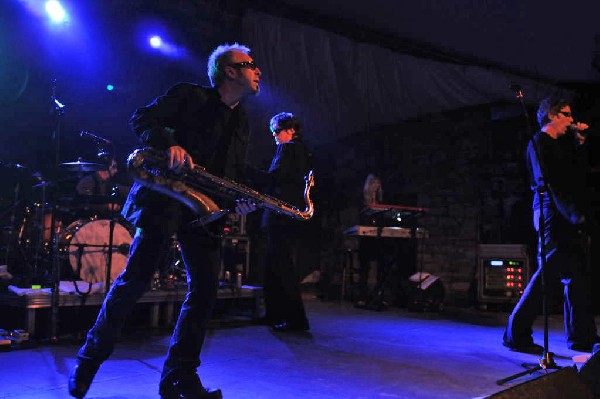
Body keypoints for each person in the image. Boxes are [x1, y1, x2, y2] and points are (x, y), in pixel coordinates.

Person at [68, 42, 261, 399]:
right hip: (165, 200)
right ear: (229, 71)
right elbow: (142, 118)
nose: (258, 71)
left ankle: (179, 378)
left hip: (204, 212)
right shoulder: (190, 96)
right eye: (251, 65)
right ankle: (89, 360)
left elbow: (231, 174)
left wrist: (240, 201)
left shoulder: (243, 121)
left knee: (204, 292)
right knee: (135, 280)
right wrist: (167, 143)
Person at [503, 97, 599, 353]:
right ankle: (516, 332)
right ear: (552, 115)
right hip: (553, 212)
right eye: (566, 114)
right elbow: (552, 182)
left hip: (566, 211)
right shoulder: (539, 143)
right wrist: (571, 214)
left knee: (578, 276)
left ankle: (582, 336)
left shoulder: (562, 145)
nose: (571, 119)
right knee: (547, 273)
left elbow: (576, 178)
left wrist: (580, 145)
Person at [260, 112, 312, 332]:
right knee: (277, 265)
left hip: (280, 216)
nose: (274, 135)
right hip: (286, 216)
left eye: (277, 130)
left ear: (291, 130)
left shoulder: (288, 149)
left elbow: (275, 179)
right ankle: (279, 315)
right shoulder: (301, 152)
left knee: (280, 266)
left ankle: (291, 318)